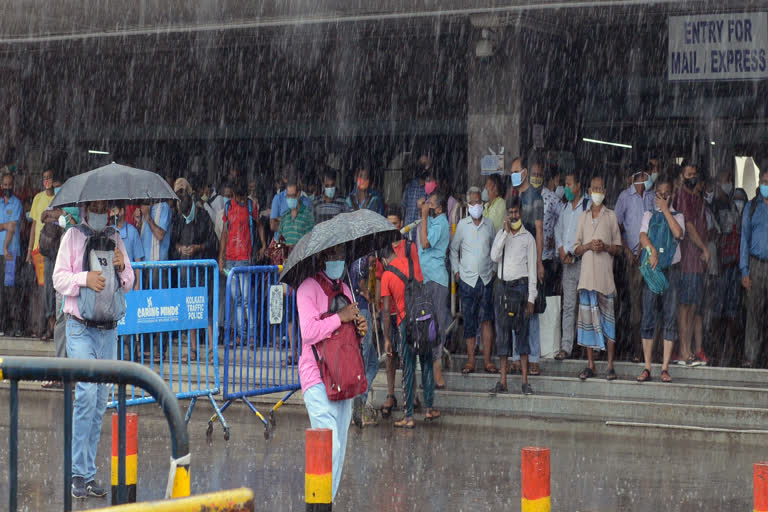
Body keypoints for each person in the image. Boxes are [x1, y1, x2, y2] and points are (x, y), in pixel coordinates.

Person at [53, 199, 134, 499]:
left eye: (105, 205)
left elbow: (130, 281)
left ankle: (87, 474)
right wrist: (83, 279)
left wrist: (122, 266)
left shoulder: (116, 238)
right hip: (79, 327)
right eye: (96, 205)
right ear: (87, 207)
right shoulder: (72, 237)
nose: (101, 210)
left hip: (108, 329)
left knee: (100, 400)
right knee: (86, 393)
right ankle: (77, 473)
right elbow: (58, 278)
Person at [297, 244, 367, 501]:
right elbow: (309, 332)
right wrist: (340, 317)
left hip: (344, 376)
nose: (337, 260)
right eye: (332, 255)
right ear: (321, 257)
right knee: (330, 448)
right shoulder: (307, 288)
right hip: (316, 376)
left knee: (340, 449)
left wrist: (360, 327)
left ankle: (327, 501)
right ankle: (317, 502)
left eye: (341, 255)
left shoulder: (346, 289)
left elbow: (348, 337)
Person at [380, 243, 440, 428]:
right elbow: (420, 286)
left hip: (405, 323)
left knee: (408, 368)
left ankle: (408, 417)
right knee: (427, 364)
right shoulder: (410, 263)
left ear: (383, 260)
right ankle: (429, 409)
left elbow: (386, 309)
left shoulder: (386, 276)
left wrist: (388, 339)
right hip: (423, 318)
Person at [572, 176, 623, 380]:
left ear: (605, 191)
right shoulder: (583, 216)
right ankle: (590, 365)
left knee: (608, 323)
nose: (598, 192)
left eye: (600, 188)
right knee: (587, 325)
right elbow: (575, 248)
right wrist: (587, 247)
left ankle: (610, 366)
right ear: (589, 190)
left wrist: (605, 247)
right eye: (594, 188)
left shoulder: (610, 216)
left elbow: (618, 248)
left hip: (605, 279)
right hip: (586, 279)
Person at [636, 175, 685, 383]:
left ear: (671, 195)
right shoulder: (647, 214)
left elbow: (678, 233)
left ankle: (664, 368)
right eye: (659, 195)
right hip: (653, 271)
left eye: (666, 195)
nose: (662, 198)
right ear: (653, 194)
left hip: (671, 272)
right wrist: (652, 250)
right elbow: (642, 236)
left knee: (669, 318)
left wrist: (665, 210)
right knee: (648, 317)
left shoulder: (678, 215)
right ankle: (647, 366)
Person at [374, 207, 423, 418]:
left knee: (408, 354)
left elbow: (416, 275)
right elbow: (378, 277)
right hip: (389, 310)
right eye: (388, 223)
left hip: (407, 310)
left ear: (401, 223)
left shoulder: (409, 247)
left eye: (395, 223)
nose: (392, 227)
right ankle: (392, 393)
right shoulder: (382, 249)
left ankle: (411, 393)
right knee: (391, 354)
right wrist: (377, 300)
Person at [490, 196, 537, 394]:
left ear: (521, 213)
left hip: (521, 288)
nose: (513, 215)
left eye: (516, 212)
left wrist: (531, 298)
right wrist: (505, 234)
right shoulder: (502, 234)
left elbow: (533, 271)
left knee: (522, 335)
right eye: (510, 213)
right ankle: (503, 381)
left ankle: (525, 382)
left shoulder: (529, 238)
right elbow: (494, 257)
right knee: (502, 336)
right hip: (503, 289)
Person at [450, 186, 497, 374]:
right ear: (468, 205)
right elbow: (454, 250)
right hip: (467, 280)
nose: (476, 205)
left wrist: (493, 270)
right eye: (472, 203)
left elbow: (495, 249)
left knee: (486, 320)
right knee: (469, 321)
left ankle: (487, 361)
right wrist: (456, 272)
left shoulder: (490, 225)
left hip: (486, 279)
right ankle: (471, 361)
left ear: (483, 204)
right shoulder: (462, 225)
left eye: (478, 202)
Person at [614, 165, 656, 360]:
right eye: (645, 174)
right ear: (637, 176)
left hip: (650, 256)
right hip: (633, 259)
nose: (647, 177)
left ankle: (651, 349)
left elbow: (656, 224)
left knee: (651, 303)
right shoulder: (624, 197)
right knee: (635, 306)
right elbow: (616, 227)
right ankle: (637, 349)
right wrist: (626, 250)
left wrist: (647, 246)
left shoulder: (652, 196)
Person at [508, 156, 544, 375]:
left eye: (515, 171)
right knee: (513, 310)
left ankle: (533, 357)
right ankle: (515, 356)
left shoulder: (535, 197)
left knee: (532, 309)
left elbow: (539, 230)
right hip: (513, 261)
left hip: (530, 259)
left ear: (524, 172)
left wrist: (539, 261)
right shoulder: (513, 195)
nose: (513, 175)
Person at [673, 161, 710, 366]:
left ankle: (689, 351)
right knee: (685, 306)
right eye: (688, 174)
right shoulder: (682, 197)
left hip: (696, 261)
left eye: (694, 173)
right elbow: (688, 226)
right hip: (687, 257)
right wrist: (704, 248)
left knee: (693, 306)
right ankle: (684, 351)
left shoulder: (696, 197)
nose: (692, 177)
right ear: (682, 175)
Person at [218, 179, 260, 346]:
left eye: (244, 198)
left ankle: (250, 335)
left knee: (247, 300)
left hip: (244, 257)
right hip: (230, 260)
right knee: (238, 300)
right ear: (234, 195)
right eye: (240, 198)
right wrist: (221, 257)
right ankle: (241, 335)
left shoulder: (251, 206)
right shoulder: (228, 207)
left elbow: (259, 225)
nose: (243, 201)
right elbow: (224, 233)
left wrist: (263, 244)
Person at [554, 171, 590, 360]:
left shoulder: (588, 206)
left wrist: (573, 252)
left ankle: (586, 347)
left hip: (583, 262)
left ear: (578, 186)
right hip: (567, 264)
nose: (566, 188)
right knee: (569, 306)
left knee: (586, 306)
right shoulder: (565, 208)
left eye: (568, 184)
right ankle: (566, 346)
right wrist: (561, 249)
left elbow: (590, 233)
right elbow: (558, 229)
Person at [418, 191, 451, 389]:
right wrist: (423, 212)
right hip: (426, 279)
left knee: (437, 324)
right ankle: (429, 366)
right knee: (425, 324)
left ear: (438, 207)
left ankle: (437, 365)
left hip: (437, 280)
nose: (427, 204)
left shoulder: (442, 223)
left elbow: (425, 242)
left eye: (431, 203)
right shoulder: (431, 221)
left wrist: (424, 215)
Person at [740, 168, 768, 368]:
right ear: (759, 182)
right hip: (756, 265)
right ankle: (751, 355)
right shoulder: (751, 207)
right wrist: (745, 271)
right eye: (765, 181)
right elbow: (744, 240)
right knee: (754, 313)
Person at [26, 168, 57, 341]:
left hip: (55, 249)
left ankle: (52, 326)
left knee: (54, 288)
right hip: (39, 250)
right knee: (44, 289)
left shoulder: (59, 196)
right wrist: (30, 250)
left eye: (49, 178)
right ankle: (45, 325)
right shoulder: (38, 198)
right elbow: (33, 226)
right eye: (44, 178)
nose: (47, 181)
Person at [349, 254, 379, 428]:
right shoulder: (360, 259)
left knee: (373, 363)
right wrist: (368, 296)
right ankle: (359, 401)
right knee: (365, 360)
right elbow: (360, 280)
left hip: (360, 308)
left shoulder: (355, 258)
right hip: (362, 310)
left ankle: (361, 397)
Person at [0, 172, 22, 338]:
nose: (7, 188)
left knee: (11, 291)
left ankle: (15, 327)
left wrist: (6, 248)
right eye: (5, 185)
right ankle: (3, 326)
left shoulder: (17, 204)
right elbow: (6, 226)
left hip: (11, 254)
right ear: (1, 186)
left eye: (9, 185)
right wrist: (4, 225)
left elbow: (12, 227)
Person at [539, 163, 562, 296]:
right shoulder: (552, 198)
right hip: (539, 256)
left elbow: (562, 221)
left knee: (543, 296)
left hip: (542, 255)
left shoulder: (549, 198)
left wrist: (556, 238)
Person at [402, 155, 431, 236]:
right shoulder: (410, 186)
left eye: (425, 164)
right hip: (408, 232)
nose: (423, 167)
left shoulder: (431, 188)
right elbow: (404, 207)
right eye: (421, 164)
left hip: (422, 234)